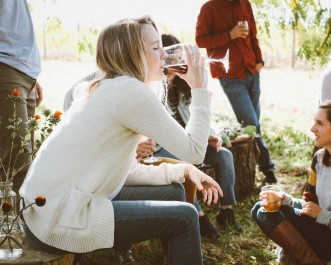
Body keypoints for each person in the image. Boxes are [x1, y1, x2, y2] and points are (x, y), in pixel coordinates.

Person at [20, 16, 223, 265]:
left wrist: (182, 169)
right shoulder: (129, 91)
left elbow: (123, 170)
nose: (165, 56)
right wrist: (200, 89)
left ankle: (183, 253)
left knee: (174, 189)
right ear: (132, 53)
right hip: (59, 219)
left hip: (44, 210)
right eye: (156, 47)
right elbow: (194, 150)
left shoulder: (110, 85)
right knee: (186, 217)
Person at [137, 34, 242, 240]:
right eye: (173, 56)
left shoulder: (184, 87)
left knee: (224, 155)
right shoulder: (152, 88)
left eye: (179, 56)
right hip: (163, 148)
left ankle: (226, 210)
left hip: (187, 143)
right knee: (181, 162)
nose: (179, 60)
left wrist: (209, 135)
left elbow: (196, 119)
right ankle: (200, 217)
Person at [251, 100, 331, 264]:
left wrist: (323, 215)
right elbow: (309, 206)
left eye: (320, 123)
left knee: (265, 212)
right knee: (261, 208)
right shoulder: (319, 159)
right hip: (321, 228)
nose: (312, 128)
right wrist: (286, 199)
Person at [195, 0, 277, 184]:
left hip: (252, 71)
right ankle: (268, 168)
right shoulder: (209, 8)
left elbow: (253, 35)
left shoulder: (244, 4)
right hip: (230, 75)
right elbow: (201, 40)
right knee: (251, 124)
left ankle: (256, 165)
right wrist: (229, 35)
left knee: (254, 126)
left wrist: (259, 60)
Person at [0, 0, 43, 193]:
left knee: (24, 162)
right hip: (6, 66)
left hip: (23, 69)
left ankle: (15, 221)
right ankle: (12, 223)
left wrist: (31, 76)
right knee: (17, 161)